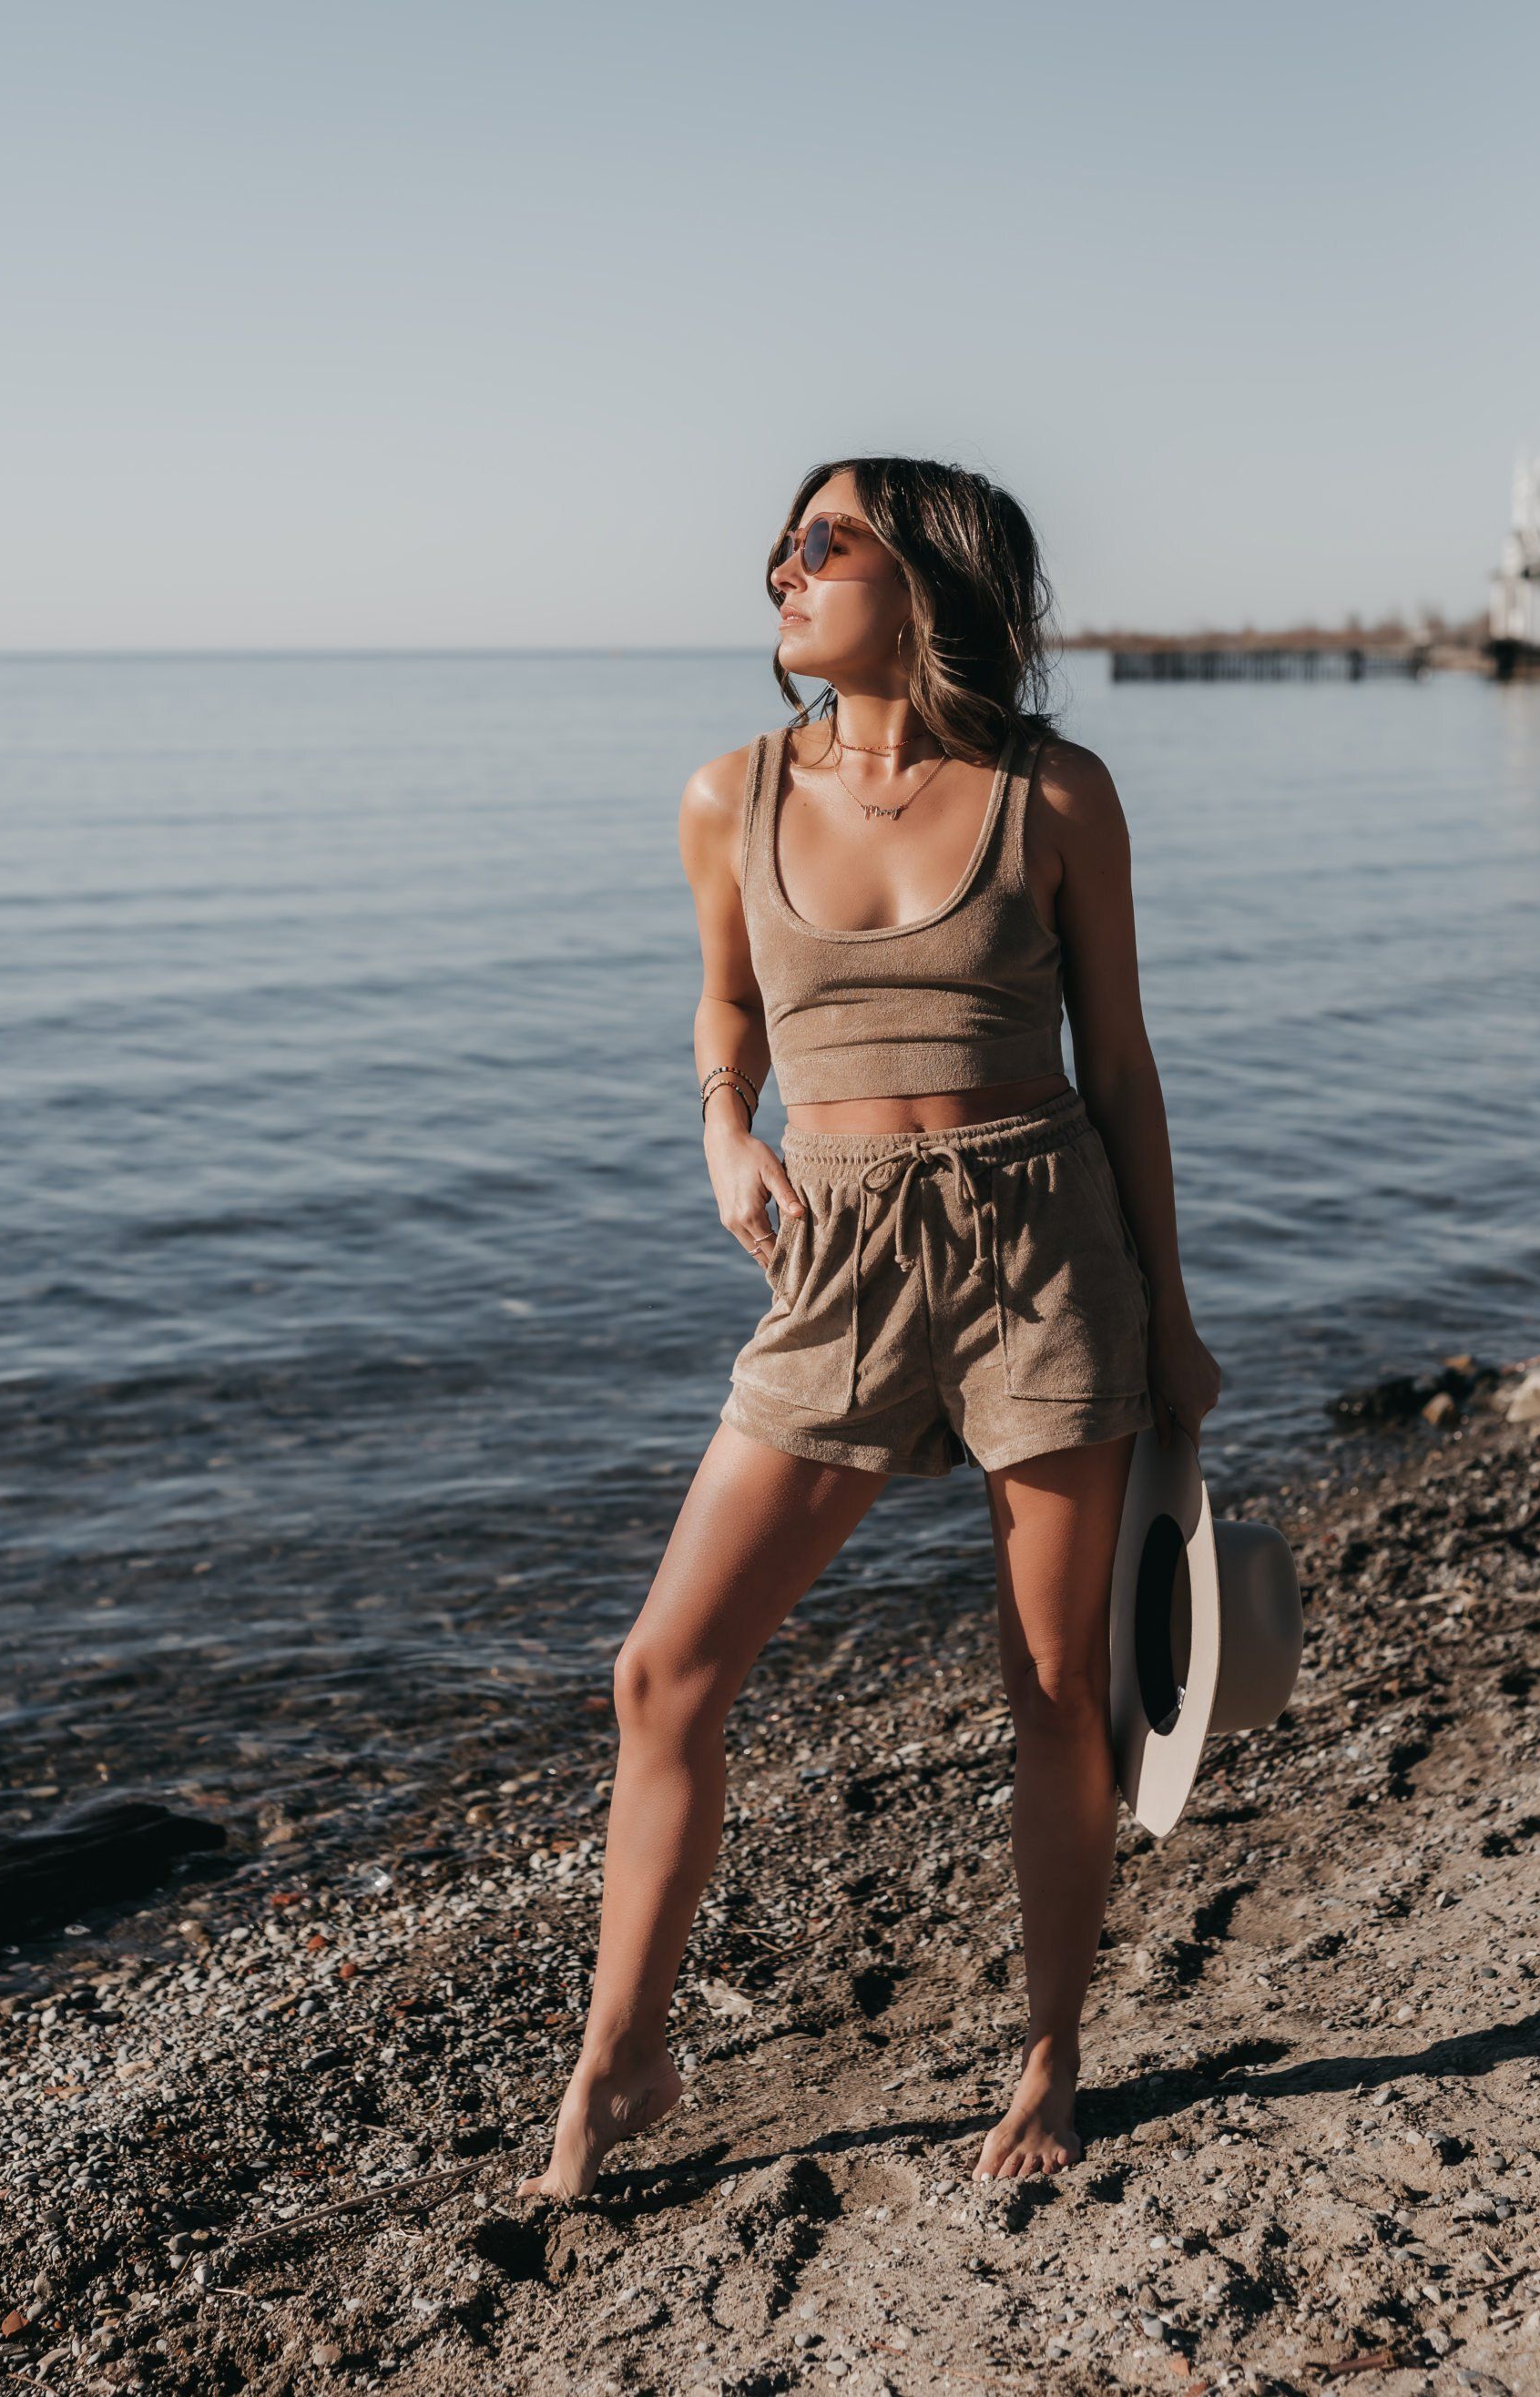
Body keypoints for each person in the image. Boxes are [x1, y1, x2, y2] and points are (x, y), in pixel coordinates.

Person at [520, 454, 1221, 2200]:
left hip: (1043, 1252)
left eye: (819, 541)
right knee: (662, 1673)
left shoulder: (1055, 795)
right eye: (780, 539)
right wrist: (717, 1131)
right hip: (830, 1262)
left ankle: (1051, 2058)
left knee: (1056, 1693)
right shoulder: (725, 794)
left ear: (924, 580)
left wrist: (1177, 1321)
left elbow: (1118, 1068)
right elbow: (724, 1001)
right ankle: (625, 2056)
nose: (779, 565)